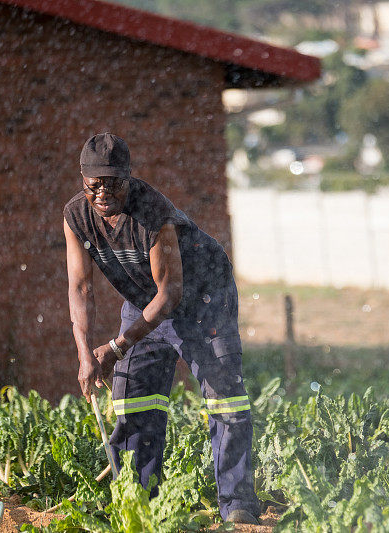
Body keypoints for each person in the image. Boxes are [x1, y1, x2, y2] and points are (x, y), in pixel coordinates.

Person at [63, 132, 261, 524]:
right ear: (82, 180)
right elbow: (81, 287)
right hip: (144, 305)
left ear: (129, 178)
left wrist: (116, 347)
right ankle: (140, 504)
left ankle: (238, 505)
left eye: (113, 182)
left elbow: (169, 294)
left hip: (204, 300)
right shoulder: (76, 217)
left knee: (225, 398)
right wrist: (86, 352)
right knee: (134, 399)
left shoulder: (151, 212)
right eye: (94, 184)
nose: (103, 193)